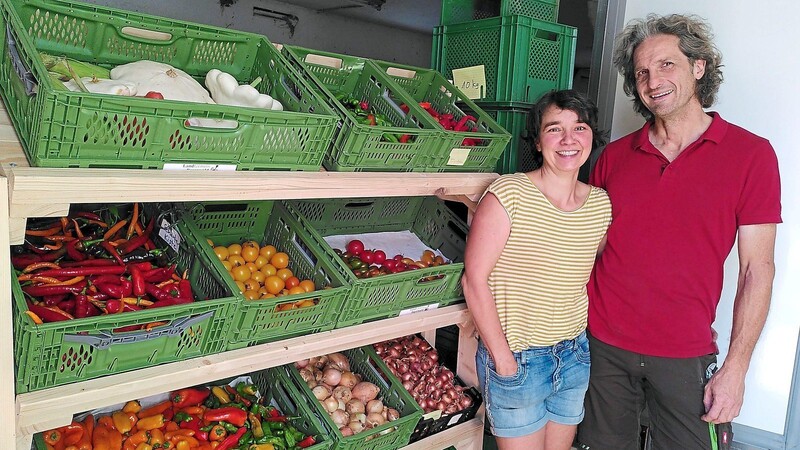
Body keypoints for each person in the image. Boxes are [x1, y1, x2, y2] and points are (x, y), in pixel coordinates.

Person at [576, 13, 782, 450]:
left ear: (699, 66)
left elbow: (756, 270)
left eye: (666, 64)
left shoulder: (751, 155)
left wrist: (736, 368)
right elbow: (585, 249)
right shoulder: (613, 157)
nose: (653, 81)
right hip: (603, 346)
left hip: (685, 352)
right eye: (642, 72)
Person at [462, 89, 612, 450]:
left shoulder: (600, 205)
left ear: (592, 136)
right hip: (519, 358)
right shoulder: (509, 193)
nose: (568, 140)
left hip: (574, 355)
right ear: (539, 142)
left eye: (579, 128)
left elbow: (580, 271)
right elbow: (474, 281)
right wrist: (503, 359)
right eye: (554, 129)